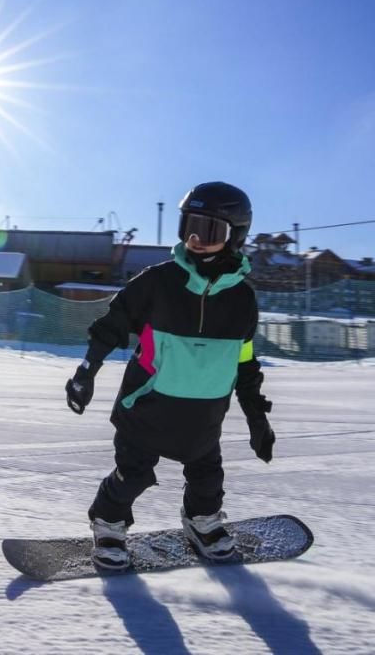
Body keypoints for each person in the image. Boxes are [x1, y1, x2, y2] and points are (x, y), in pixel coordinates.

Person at [65, 181, 275, 570]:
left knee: (208, 477)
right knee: (133, 475)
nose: (195, 239)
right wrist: (86, 370)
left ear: (236, 236)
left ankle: (202, 523)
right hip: (147, 404)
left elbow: (245, 363)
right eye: (189, 226)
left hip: (204, 412)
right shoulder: (157, 281)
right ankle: (108, 523)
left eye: (209, 230)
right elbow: (111, 325)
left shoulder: (243, 300)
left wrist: (257, 419)